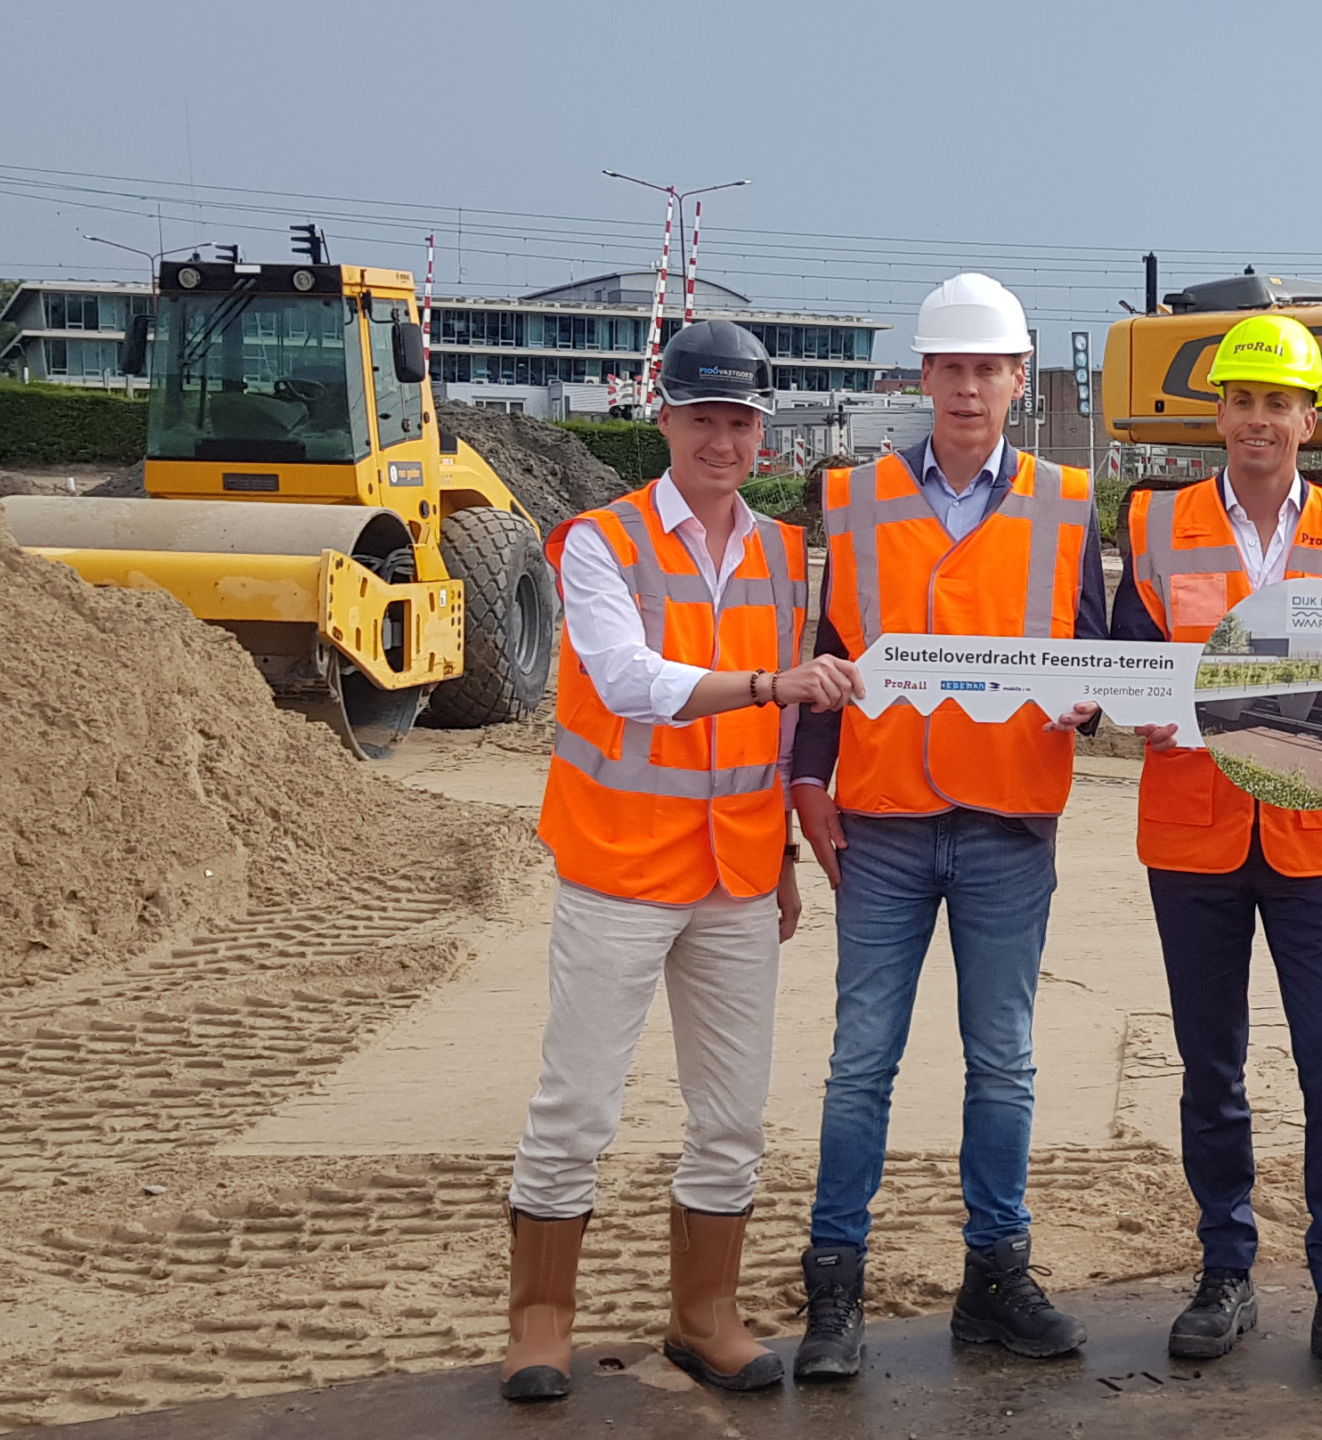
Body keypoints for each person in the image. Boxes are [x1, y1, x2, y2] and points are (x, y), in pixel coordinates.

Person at [500, 320, 864, 1402]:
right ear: (664, 419)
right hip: (619, 865)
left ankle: (704, 1314)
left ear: (764, 434)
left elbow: (787, 737)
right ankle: (539, 1319)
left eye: (741, 421)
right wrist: (766, 686)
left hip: (741, 869)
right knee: (577, 1105)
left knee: (733, 1113)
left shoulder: (780, 552)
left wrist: (788, 851)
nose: (723, 438)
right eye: (704, 416)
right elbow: (624, 682)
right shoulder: (598, 540)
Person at [787, 273, 1108, 1380]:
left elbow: (1095, 653)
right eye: (951, 367)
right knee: (859, 1062)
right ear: (921, 375)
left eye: (989, 368)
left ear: (1019, 378)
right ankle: (834, 1287)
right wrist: (808, 787)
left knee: (1003, 1064)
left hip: (1008, 823)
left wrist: (1098, 700)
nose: (969, 387)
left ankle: (996, 1278)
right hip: (880, 820)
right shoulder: (859, 498)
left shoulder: (1068, 503)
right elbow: (832, 653)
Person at [1110, 313, 1322, 1388]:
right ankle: (1225, 1268)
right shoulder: (1156, 522)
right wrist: (1130, 700)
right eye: (1242, 401)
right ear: (1217, 415)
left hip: (1313, 830)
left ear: (1310, 420)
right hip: (1192, 833)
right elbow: (1129, 654)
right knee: (1212, 1065)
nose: (1258, 421)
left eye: (1279, 402)